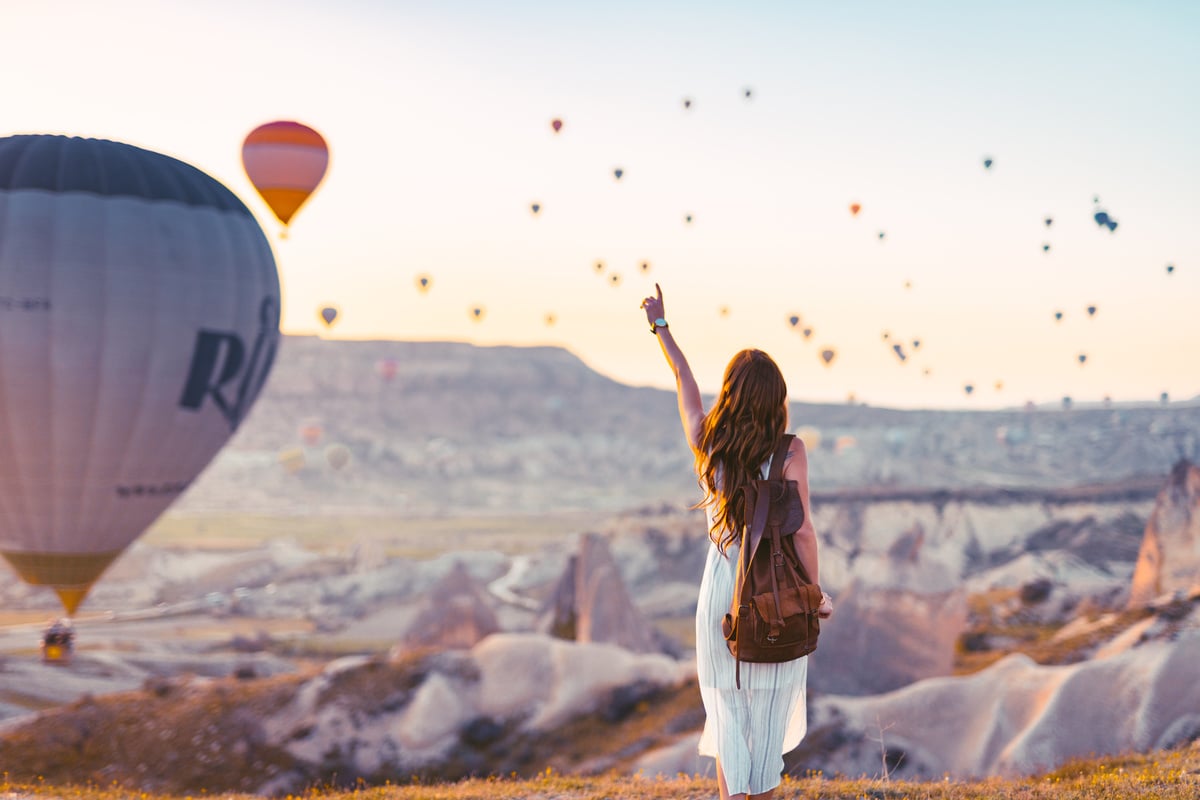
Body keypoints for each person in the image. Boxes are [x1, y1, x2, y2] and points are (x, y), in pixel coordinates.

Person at [640, 283, 832, 800]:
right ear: (777, 400)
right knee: (765, 726)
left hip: (720, 596)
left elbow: (683, 377)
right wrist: (815, 594)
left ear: (730, 393)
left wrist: (661, 326)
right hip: (774, 596)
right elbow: (805, 531)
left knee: (727, 717)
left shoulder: (707, 442)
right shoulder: (791, 451)